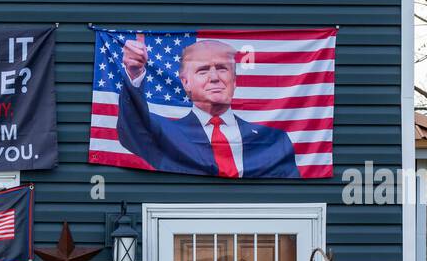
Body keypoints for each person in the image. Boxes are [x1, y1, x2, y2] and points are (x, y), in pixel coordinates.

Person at [117, 36, 301, 179]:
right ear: (185, 83)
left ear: (234, 80)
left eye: (222, 68)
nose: (214, 77)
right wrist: (135, 74)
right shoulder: (166, 133)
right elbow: (134, 125)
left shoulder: (275, 140)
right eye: (203, 70)